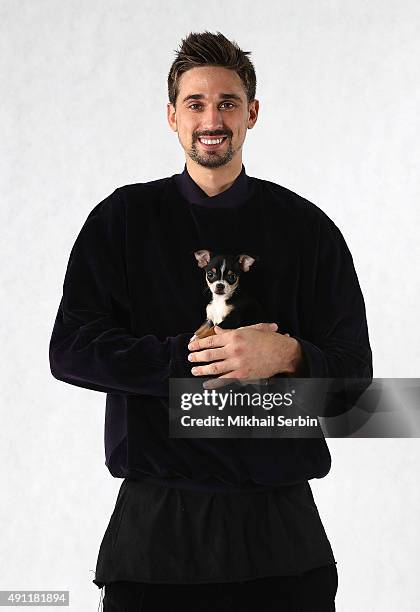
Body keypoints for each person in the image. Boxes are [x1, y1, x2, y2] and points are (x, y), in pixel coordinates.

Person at [49, 30, 372, 611]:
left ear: (252, 112)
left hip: (282, 536)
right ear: (172, 116)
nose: (211, 119)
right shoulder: (122, 220)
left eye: (227, 102)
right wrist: (187, 357)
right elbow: (70, 349)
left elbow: (358, 391)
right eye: (195, 104)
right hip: (156, 535)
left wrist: (290, 356)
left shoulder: (308, 229)